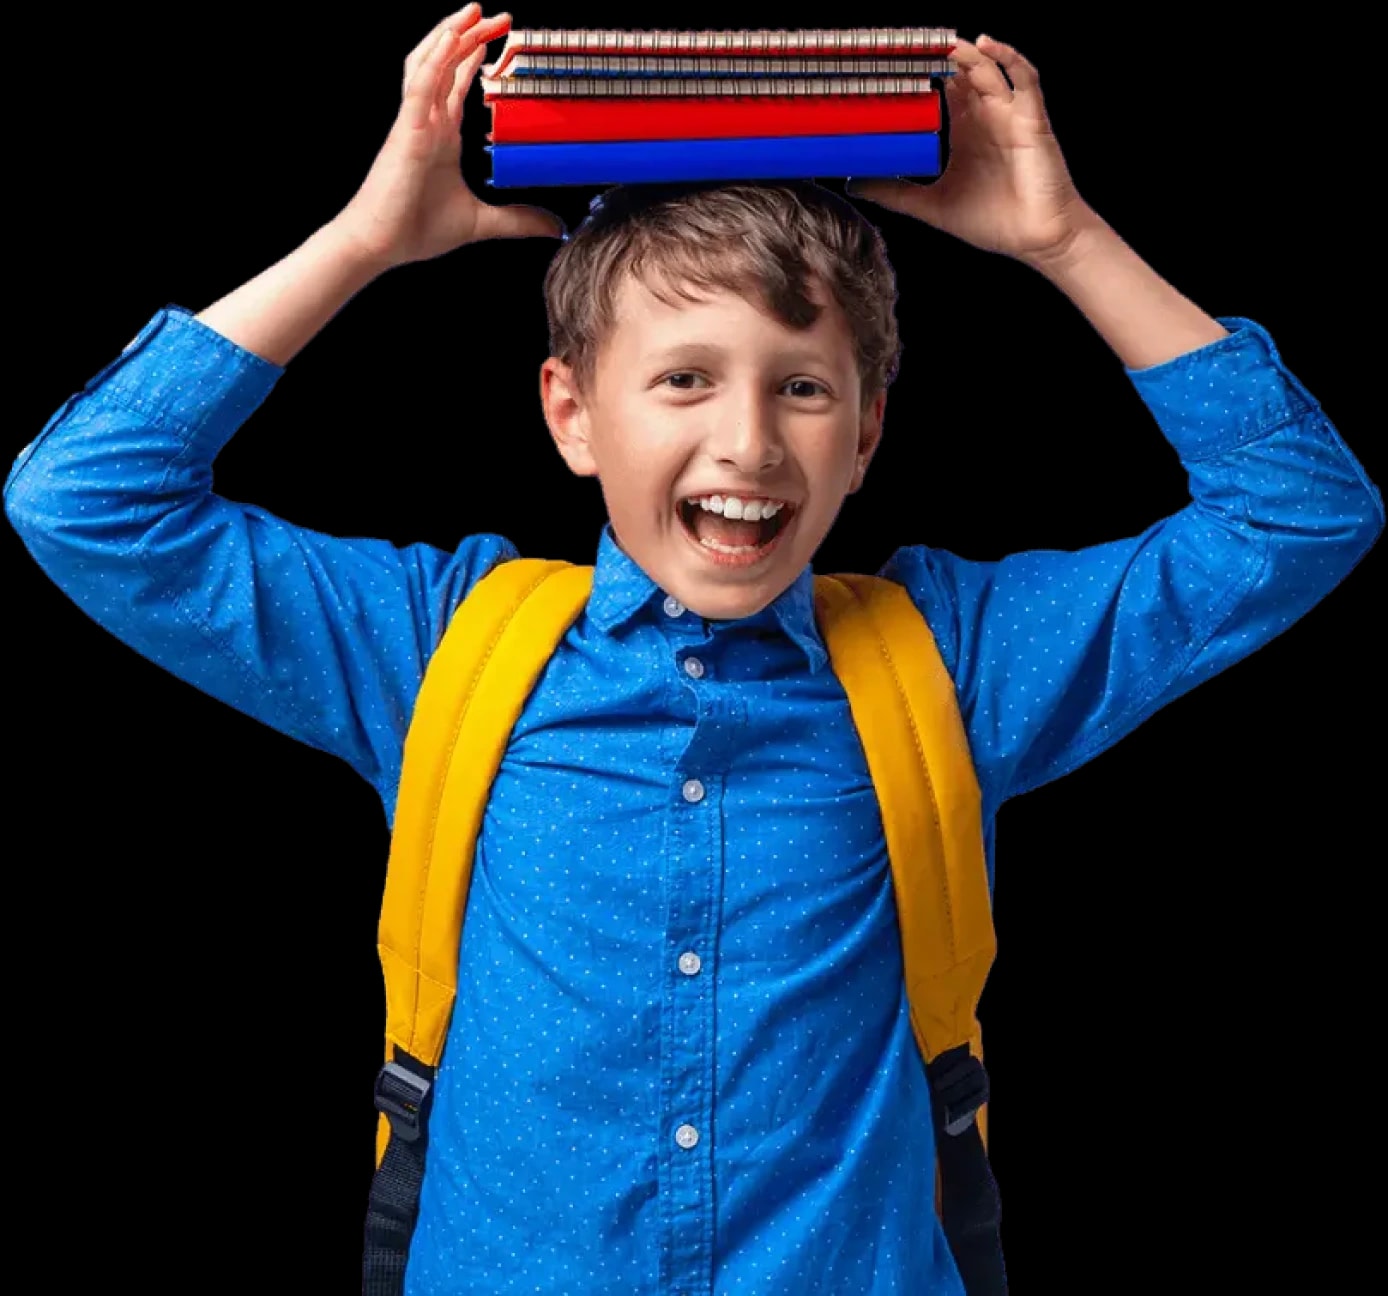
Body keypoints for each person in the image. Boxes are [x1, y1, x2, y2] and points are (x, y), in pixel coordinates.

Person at [6, 6, 1382, 1293]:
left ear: (867, 434)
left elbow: (1299, 515)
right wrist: (366, 238)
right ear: (572, 415)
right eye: (682, 378)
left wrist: (1064, 238)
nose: (746, 444)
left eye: (802, 388)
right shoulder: (439, 651)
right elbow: (87, 501)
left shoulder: (951, 665)